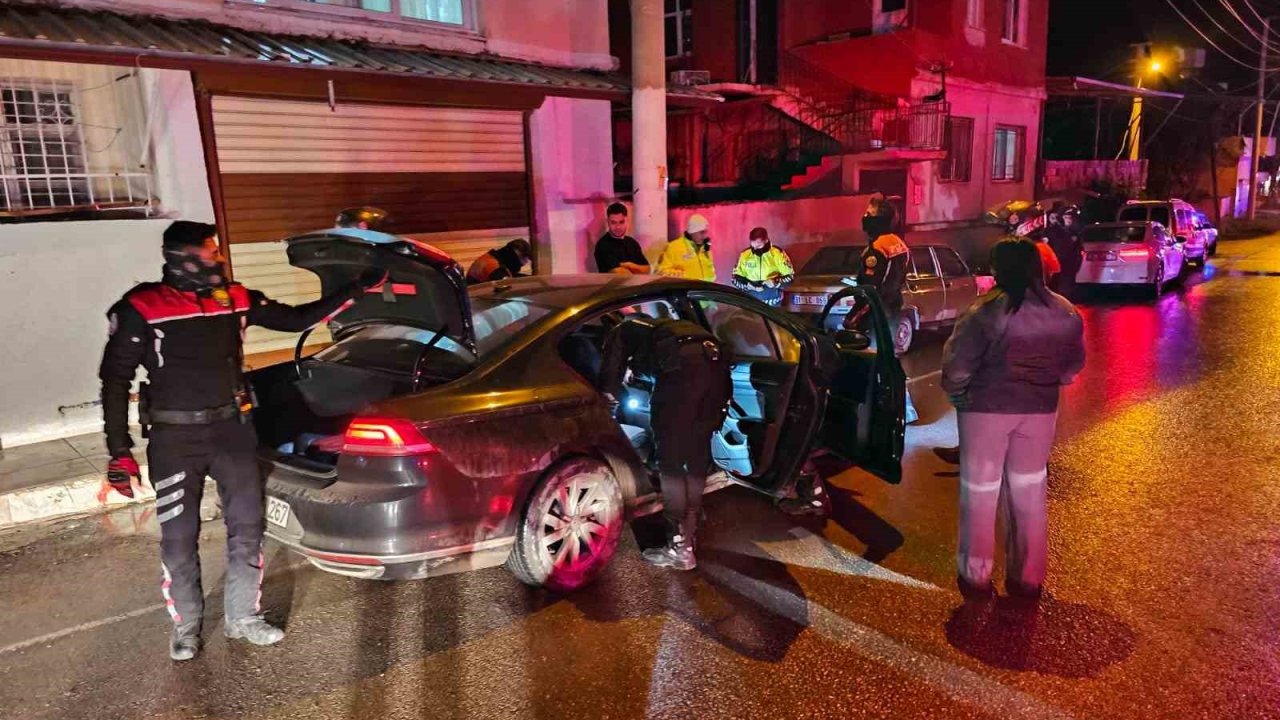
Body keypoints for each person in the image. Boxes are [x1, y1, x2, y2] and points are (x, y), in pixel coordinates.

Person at [100, 221, 385, 661]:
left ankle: (243, 617)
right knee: (178, 538)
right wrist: (119, 451)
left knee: (247, 529)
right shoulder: (142, 306)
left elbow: (296, 320)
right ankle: (187, 627)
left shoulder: (233, 298)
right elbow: (115, 381)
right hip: (175, 440)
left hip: (233, 433)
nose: (219, 258)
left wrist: (355, 288)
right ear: (186, 257)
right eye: (211, 251)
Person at [942, 238, 1085, 601]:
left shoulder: (985, 311)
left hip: (985, 410)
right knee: (1029, 490)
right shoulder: (1065, 311)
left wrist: (958, 393)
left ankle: (976, 574)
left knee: (980, 491)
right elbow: (1072, 367)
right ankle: (1029, 577)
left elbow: (957, 367)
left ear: (1000, 268)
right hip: (1039, 410)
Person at [599, 316, 733, 570]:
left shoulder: (622, 331)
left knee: (669, 462)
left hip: (683, 375)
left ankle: (678, 546)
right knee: (696, 456)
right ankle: (689, 533)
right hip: (717, 371)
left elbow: (610, 379)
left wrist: (610, 402)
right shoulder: (667, 326)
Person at [857, 193, 918, 423]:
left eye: (869, 213)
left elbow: (871, 289)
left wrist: (856, 315)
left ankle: (894, 412)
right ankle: (904, 409)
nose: (864, 217)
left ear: (879, 219)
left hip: (877, 313)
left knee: (875, 362)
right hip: (892, 309)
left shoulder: (877, 248)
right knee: (889, 359)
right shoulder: (899, 243)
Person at [731, 227, 795, 306]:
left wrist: (775, 282)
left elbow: (790, 277)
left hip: (773, 303)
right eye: (752, 246)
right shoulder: (744, 255)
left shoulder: (777, 253)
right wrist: (749, 286)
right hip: (751, 303)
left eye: (758, 246)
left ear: (766, 240)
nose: (755, 249)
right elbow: (734, 279)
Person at [656, 214, 716, 282]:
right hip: (686, 290)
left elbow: (711, 273)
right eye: (702, 232)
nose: (705, 236)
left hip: (707, 290)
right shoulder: (674, 247)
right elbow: (661, 272)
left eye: (706, 232)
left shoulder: (705, 248)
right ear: (692, 232)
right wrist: (679, 275)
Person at [595, 202, 651, 275]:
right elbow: (619, 273)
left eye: (621, 222)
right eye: (613, 222)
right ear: (607, 222)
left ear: (626, 220)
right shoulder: (603, 245)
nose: (618, 227)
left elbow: (647, 269)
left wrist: (629, 265)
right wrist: (637, 269)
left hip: (636, 286)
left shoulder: (632, 243)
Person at [1045, 204, 1082, 298]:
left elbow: (1075, 247)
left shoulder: (1074, 232)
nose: (1068, 220)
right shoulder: (1052, 231)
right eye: (1066, 217)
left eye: (1070, 217)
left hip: (1069, 263)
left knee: (1066, 286)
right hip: (1057, 262)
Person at [466, 238, 532, 284]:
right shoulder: (495, 268)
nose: (526, 262)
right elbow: (508, 289)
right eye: (524, 258)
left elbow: (513, 275)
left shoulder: (490, 258)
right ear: (516, 253)